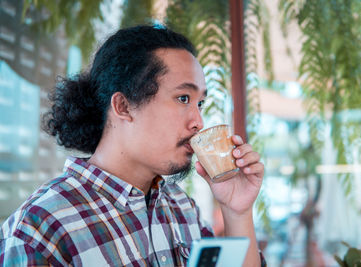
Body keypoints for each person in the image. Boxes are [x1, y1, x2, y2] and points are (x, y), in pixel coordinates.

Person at [0, 25, 265, 266]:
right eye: (183, 98)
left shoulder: (182, 208)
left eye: (200, 103)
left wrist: (236, 211)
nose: (198, 121)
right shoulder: (40, 230)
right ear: (123, 106)